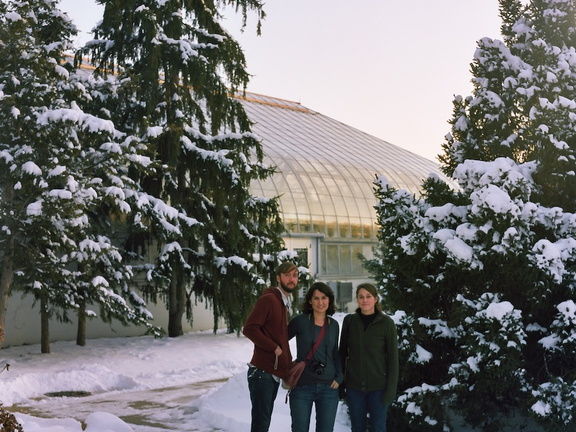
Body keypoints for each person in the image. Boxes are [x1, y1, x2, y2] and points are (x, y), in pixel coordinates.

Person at [243, 261, 299, 432]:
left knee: (263, 424)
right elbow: (249, 328)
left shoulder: (282, 302)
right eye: (287, 275)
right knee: (261, 425)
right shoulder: (269, 299)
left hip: (270, 374)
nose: (291, 279)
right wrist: (273, 347)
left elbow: (279, 335)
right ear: (278, 278)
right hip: (262, 374)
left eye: (295, 276)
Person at [339, 283, 399, 432]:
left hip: (378, 389)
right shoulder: (349, 321)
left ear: (376, 299)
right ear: (357, 299)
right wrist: (341, 383)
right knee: (357, 428)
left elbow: (393, 359)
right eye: (361, 297)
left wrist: (390, 391)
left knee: (378, 428)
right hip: (354, 389)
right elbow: (342, 354)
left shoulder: (386, 323)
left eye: (368, 296)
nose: (365, 300)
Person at [288, 281, 343, 432]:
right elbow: (280, 341)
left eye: (324, 298)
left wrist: (340, 377)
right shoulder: (300, 321)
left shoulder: (334, 325)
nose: (320, 302)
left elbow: (335, 354)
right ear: (310, 301)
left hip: (328, 389)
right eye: (316, 298)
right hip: (302, 387)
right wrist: (286, 366)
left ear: (329, 300)